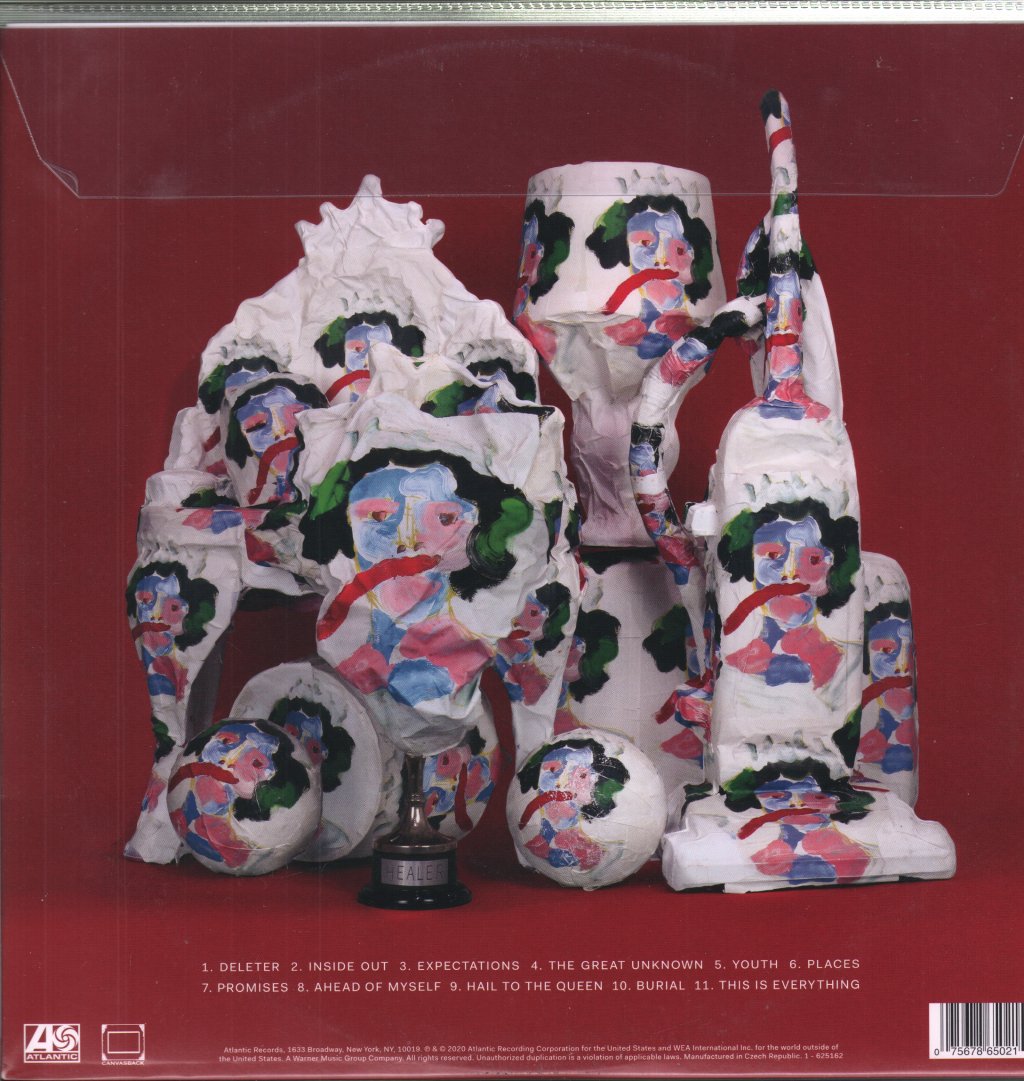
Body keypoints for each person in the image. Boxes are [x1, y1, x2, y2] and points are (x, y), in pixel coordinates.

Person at [305, 448, 533, 709]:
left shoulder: (490, 628)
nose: (409, 539)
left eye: (445, 518)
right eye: (380, 516)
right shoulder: (344, 629)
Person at [718, 498, 859, 691]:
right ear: (749, 560)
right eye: (773, 555)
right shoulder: (730, 661)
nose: (790, 572)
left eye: (812, 559)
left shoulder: (850, 665)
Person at [586, 194, 714, 359]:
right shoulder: (614, 329)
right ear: (624, 250)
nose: (661, 259)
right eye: (645, 243)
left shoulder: (697, 331)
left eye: (679, 250)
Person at [515, 738, 629, 872]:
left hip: (567, 833)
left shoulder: (577, 804)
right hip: (555, 833)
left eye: (583, 776)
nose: (565, 783)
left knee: (566, 840)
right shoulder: (555, 797)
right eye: (553, 772)